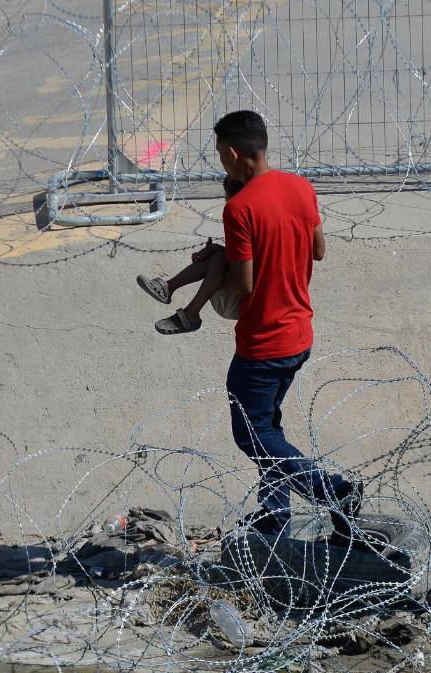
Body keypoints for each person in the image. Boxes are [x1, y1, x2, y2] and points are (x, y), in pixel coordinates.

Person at [208, 109, 361, 537]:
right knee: (269, 428)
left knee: (252, 434)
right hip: (299, 334)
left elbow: (244, 282)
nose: (222, 162)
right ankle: (275, 514)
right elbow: (318, 250)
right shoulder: (300, 187)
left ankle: (333, 490)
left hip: (262, 343)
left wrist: (214, 268)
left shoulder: (239, 207)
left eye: (222, 154)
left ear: (236, 154)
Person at [137, 178, 244, 334]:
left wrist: (215, 272)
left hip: (243, 301)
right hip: (240, 295)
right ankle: (171, 289)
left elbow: (246, 280)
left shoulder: (241, 217)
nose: (227, 203)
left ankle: (190, 313)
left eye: (228, 199)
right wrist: (216, 250)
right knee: (218, 255)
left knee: (218, 258)